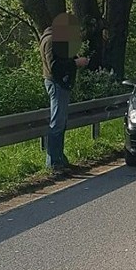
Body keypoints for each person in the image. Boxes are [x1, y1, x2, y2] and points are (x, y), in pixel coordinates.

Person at [39, 13, 91, 174]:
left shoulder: (56, 39)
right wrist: (75, 63)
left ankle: (60, 159)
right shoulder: (51, 41)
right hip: (57, 84)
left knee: (61, 122)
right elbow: (55, 66)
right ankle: (54, 163)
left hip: (61, 84)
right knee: (57, 122)